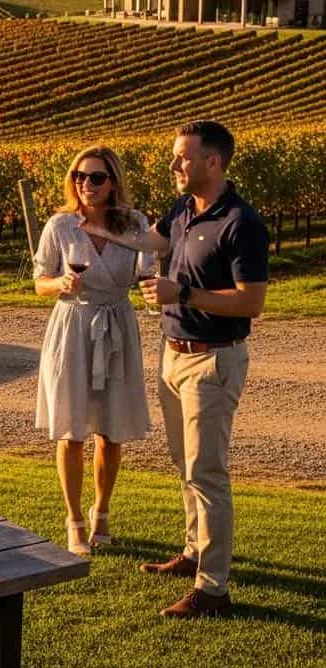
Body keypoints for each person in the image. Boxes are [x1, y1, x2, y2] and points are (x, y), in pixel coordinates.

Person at [82, 121, 268, 618]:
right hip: (174, 353)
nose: (173, 166)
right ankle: (192, 554)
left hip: (213, 359)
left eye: (183, 158)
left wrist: (180, 293)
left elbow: (251, 302)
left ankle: (213, 589)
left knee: (207, 473)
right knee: (185, 466)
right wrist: (93, 224)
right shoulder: (186, 208)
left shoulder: (240, 223)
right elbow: (150, 243)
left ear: (213, 162)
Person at [33, 146, 151, 557]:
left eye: (97, 177)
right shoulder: (61, 225)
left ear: (113, 181)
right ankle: (74, 519)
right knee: (71, 429)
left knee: (111, 429)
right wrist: (59, 285)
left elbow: (149, 271)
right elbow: (39, 281)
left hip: (116, 325)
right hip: (73, 326)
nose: (87, 184)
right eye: (80, 176)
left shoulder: (134, 223)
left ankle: (102, 511)